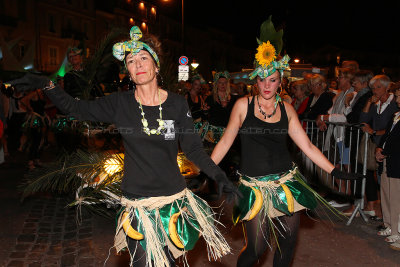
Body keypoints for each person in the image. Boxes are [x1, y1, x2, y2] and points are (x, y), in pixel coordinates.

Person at [9, 26, 239, 266]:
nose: (138, 64)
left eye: (143, 58)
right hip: (137, 205)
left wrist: (218, 175)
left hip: (173, 204)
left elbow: (193, 149)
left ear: (156, 65)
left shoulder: (177, 105)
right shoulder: (120, 104)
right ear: (128, 71)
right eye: (131, 61)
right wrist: (46, 84)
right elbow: (76, 108)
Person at [211, 39, 348, 267]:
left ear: (280, 82)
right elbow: (225, 142)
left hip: (286, 184)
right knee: (256, 249)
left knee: (287, 245)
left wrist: (334, 170)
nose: (266, 85)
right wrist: (204, 171)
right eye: (262, 79)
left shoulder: (287, 109)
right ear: (256, 81)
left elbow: (308, 147)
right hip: (254, 188)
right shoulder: (243, 106)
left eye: (272, 80)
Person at [376, 86, 400, 250]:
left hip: (397, 161)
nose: (397, 100)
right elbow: (387, 136)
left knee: (396, 197)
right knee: (386, 193)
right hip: (388, 160)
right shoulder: (396, 115)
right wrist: (379, 149)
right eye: (397, 96)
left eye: (399, 96)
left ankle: (397, 230)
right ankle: (389, 224)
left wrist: (385, 151)